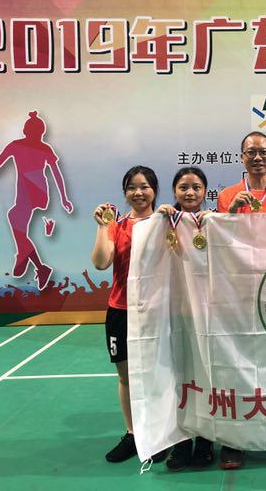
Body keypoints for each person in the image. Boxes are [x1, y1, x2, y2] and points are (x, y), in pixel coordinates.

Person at [91, 165, 162, 463]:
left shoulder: (164, 222)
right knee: (126, 376)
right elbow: (101, 262)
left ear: (154, 191)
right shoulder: (117, 225)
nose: (138, 192)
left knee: (159, 374)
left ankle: (160, 433)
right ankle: (133, 434)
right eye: (132, 187)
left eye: (144, 186)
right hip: (121, 310)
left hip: (157, 311)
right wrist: (101, 227)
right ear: (125, 193)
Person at [156, 167, 216, 472]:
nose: (190, 193)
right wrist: (158, 220)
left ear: (205, 191)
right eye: (183, 187)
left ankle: (206, 439)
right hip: (175, 312)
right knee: (178, 377)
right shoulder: (163, 222)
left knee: (206, 376)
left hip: (208, 312)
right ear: (174, 191)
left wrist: (216, 224)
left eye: (196, 187)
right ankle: (180, 441)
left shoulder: (214, 221)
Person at [0, 110, 73, 290]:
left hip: (30, 190)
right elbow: (56, 174)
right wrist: (64, 199)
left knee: (14, 218)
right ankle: (27, 257)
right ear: (41, 132)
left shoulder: (19, 146)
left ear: (26, 131)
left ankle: (30, 260)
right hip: (37, 191)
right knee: (20, 227)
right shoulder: (41, 147)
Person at [217, 132, 266, 214]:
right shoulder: (226, 196)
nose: (258, 158)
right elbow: (224, 223)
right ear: (242, 158)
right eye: (251, 152)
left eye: (263, 152)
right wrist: (232, 212)